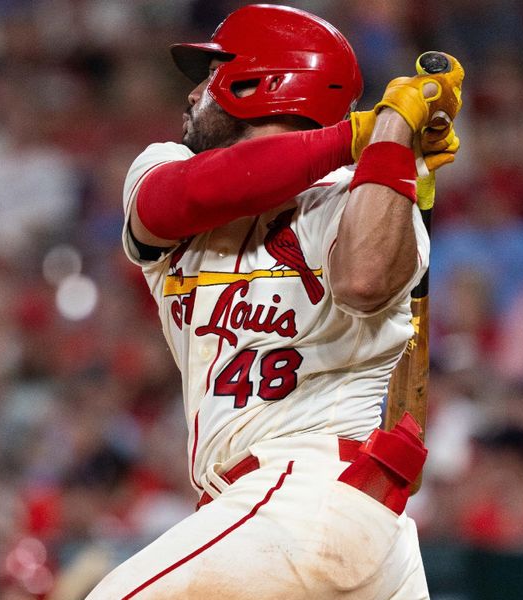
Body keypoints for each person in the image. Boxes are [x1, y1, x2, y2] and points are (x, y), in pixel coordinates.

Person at [86, 4, 463, 599]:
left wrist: (390, 141)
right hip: (268, 516)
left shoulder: (367, 196)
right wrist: (364, 134)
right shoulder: (165, 168)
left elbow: (364, 280)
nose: (191, 98)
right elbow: (172, 203)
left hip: (314, 492)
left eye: (209, 78)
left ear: (256, 85)